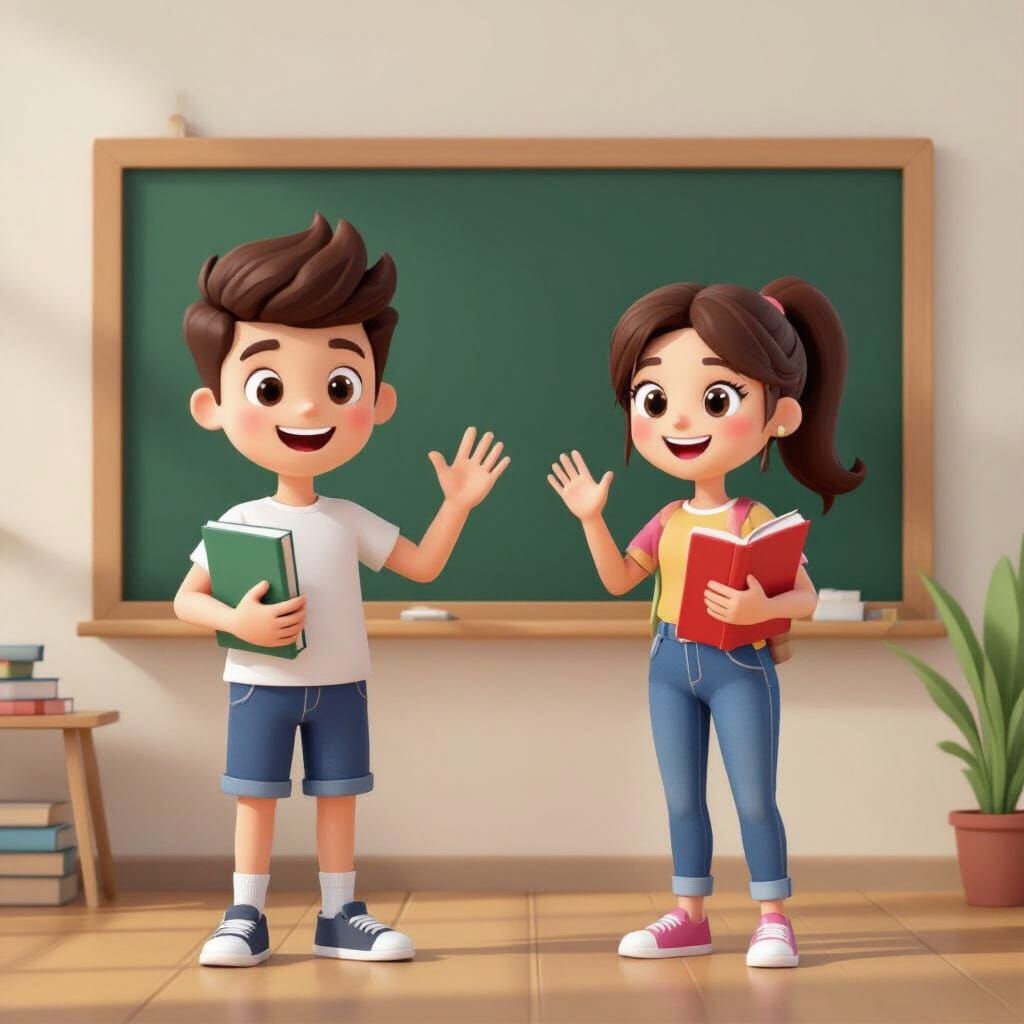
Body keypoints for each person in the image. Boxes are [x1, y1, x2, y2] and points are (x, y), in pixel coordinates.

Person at [174, 214, 509, 967]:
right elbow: (184, 599)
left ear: (377, 398)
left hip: (341, 686)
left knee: (337, 797)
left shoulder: (348, 517)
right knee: (255, 798)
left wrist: (456, 503)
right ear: (213, 407)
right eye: (269, 384)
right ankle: (245, 916)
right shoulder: (238, 520)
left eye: (338, 384)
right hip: (259, 682)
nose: (305, 409)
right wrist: (238, 619)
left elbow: (422, 566)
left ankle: (338, 915)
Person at [548, 279, 864, 968]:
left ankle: (772, 916)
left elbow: (806, 600)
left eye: (716, 400)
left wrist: (760, 609)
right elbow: (616, 580)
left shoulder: (754, 519)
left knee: (754, 797)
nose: (681, 423)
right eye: (655, 400)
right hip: (668, 664)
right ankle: (688, 914)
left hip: (739, 665)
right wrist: (591, 518)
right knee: (682, 799)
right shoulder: (666, 519)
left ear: (778, 416)